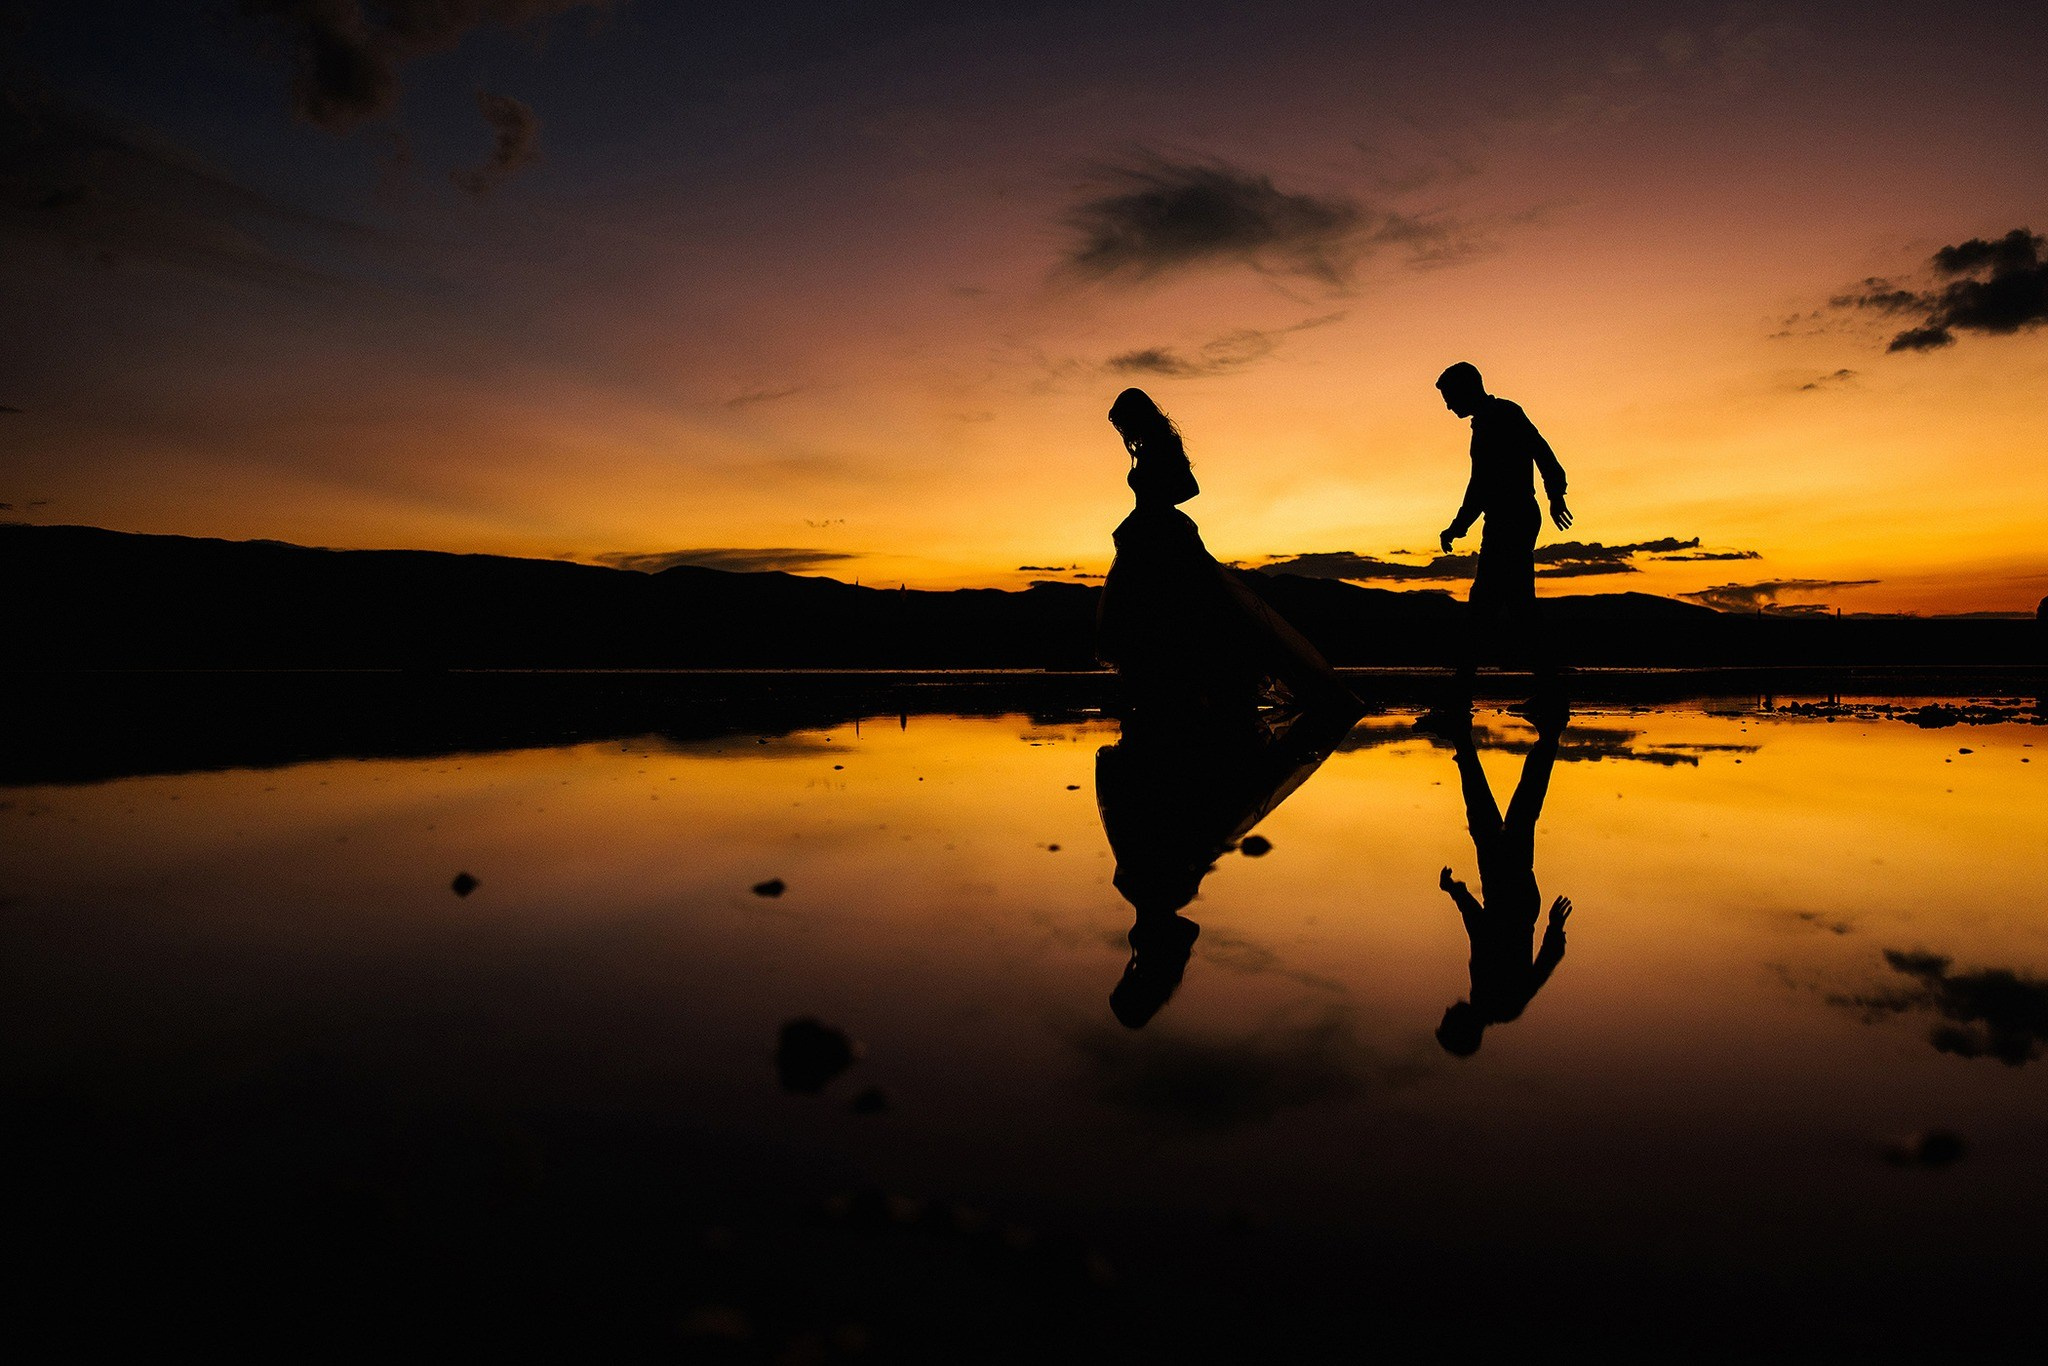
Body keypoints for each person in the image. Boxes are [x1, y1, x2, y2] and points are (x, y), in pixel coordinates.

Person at [1096, 388, 1359, 716]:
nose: (1122, 432)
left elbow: (1190, 488)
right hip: (1144, 533)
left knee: (1185, 611)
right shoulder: (1146, 448)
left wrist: (1158, 501)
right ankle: (1156, 691)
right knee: (1147, 613)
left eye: (1123, 424)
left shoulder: (1163, 445)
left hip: (1164, 534)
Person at [1433, 699, 1574, 1056]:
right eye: (1448, 1019)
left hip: (1513, 899)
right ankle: (1549, 730)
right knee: (1507, 815)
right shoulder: (1497, 1001)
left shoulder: (1498, 1005)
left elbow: (1540, 961)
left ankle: (1464, 738)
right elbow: (1482, 933)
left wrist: (1458, 891)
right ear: (1463, 1027)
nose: (1447, 1009)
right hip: (1509, 895)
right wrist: (1456, 893)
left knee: (1495, 819)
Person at [1434, 363, 1570, 695]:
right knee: (1515, 604)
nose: (1449, 406)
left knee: (1487, 604)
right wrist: (1460, 525)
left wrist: (1556, 494)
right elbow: (1481, 483)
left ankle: (1462, 692)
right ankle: (1548, 689)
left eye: (1450, 397)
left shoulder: (1503, 415)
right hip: (1507, 518)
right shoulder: (1486, 421)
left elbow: (1539, 452)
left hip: (1512, 518)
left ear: (1466, 390)